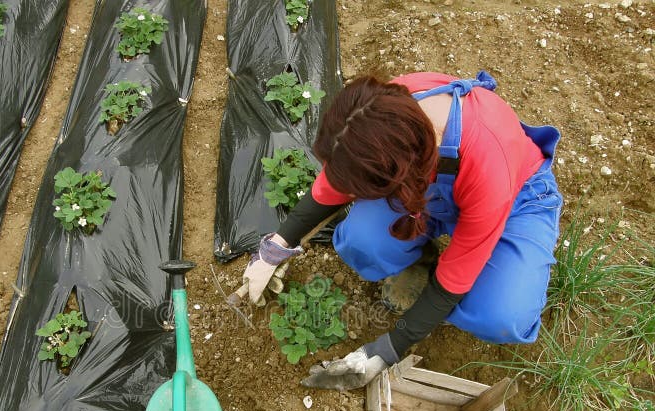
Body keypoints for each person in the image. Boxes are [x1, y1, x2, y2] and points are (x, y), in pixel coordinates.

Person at [241, 71, 563, 390]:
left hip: (517, 197)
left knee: (501, 314)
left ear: (399, 174)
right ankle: (423, 260)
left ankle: (461, 281)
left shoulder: (488, 167)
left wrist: (386, 350)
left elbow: (457, 276)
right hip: (432, 182)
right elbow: (334, 184)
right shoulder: (386, 114)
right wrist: (276, 247)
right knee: (362, 241)